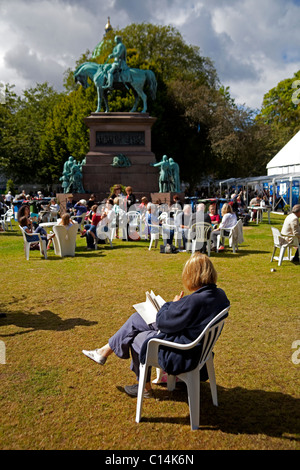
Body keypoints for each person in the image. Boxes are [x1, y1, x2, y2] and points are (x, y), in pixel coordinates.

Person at [82, 253, 230, 398]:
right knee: (137, 319)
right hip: (196, 346)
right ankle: (104, 351)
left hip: (180, 353)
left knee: (136, 338)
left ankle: (144, 387)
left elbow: (163, 323)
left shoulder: (195, 301)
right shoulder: (219, 295)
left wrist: (171, 304)